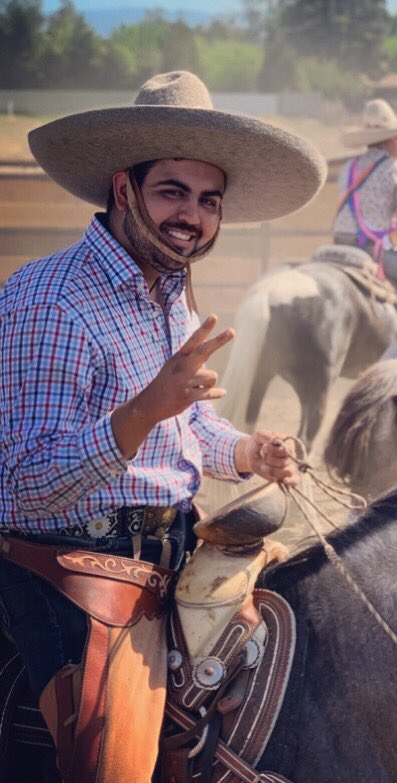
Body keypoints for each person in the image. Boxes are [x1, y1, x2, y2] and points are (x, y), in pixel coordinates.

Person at [0, 70, 325, 782]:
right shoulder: (51, 300)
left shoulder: (168, 291)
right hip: (71, 573)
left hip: (174, 547)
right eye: (172, 191)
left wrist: (248, 449)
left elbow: (190, 429)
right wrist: (146, 407)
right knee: (115, 765)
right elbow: (22, 490)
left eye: (209, 200)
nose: (193, 216)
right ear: (124, 189)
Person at [332, 98, 397, 324]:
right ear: (391, 141)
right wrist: (394, 237)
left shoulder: (348, 168)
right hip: (371, 249)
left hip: (340, 244)